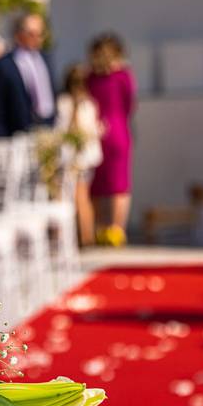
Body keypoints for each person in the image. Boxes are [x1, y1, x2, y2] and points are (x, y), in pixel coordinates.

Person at [87, 33, 136, 247]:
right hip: (118, 131)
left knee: (97, 183)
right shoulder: (123, 76)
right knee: (119, 184)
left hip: (95, 132)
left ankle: (100, 228)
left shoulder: (90, 77)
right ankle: (116, 230)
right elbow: (129, 105)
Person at [55, 64, 104, 246]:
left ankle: (65, 238)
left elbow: (59, 131)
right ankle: (86, 235)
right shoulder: (89, 104)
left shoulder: (63, 102)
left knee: (65, 197)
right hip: (85, 158)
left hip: (70, 157)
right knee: (83, 197)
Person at [0, 12, 55, 137]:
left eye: (40, 34)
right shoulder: (3, 65)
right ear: (19, 34)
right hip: (17, 132)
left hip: (46, 129)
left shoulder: (45, 58)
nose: (37, 38)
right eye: (32, 34)